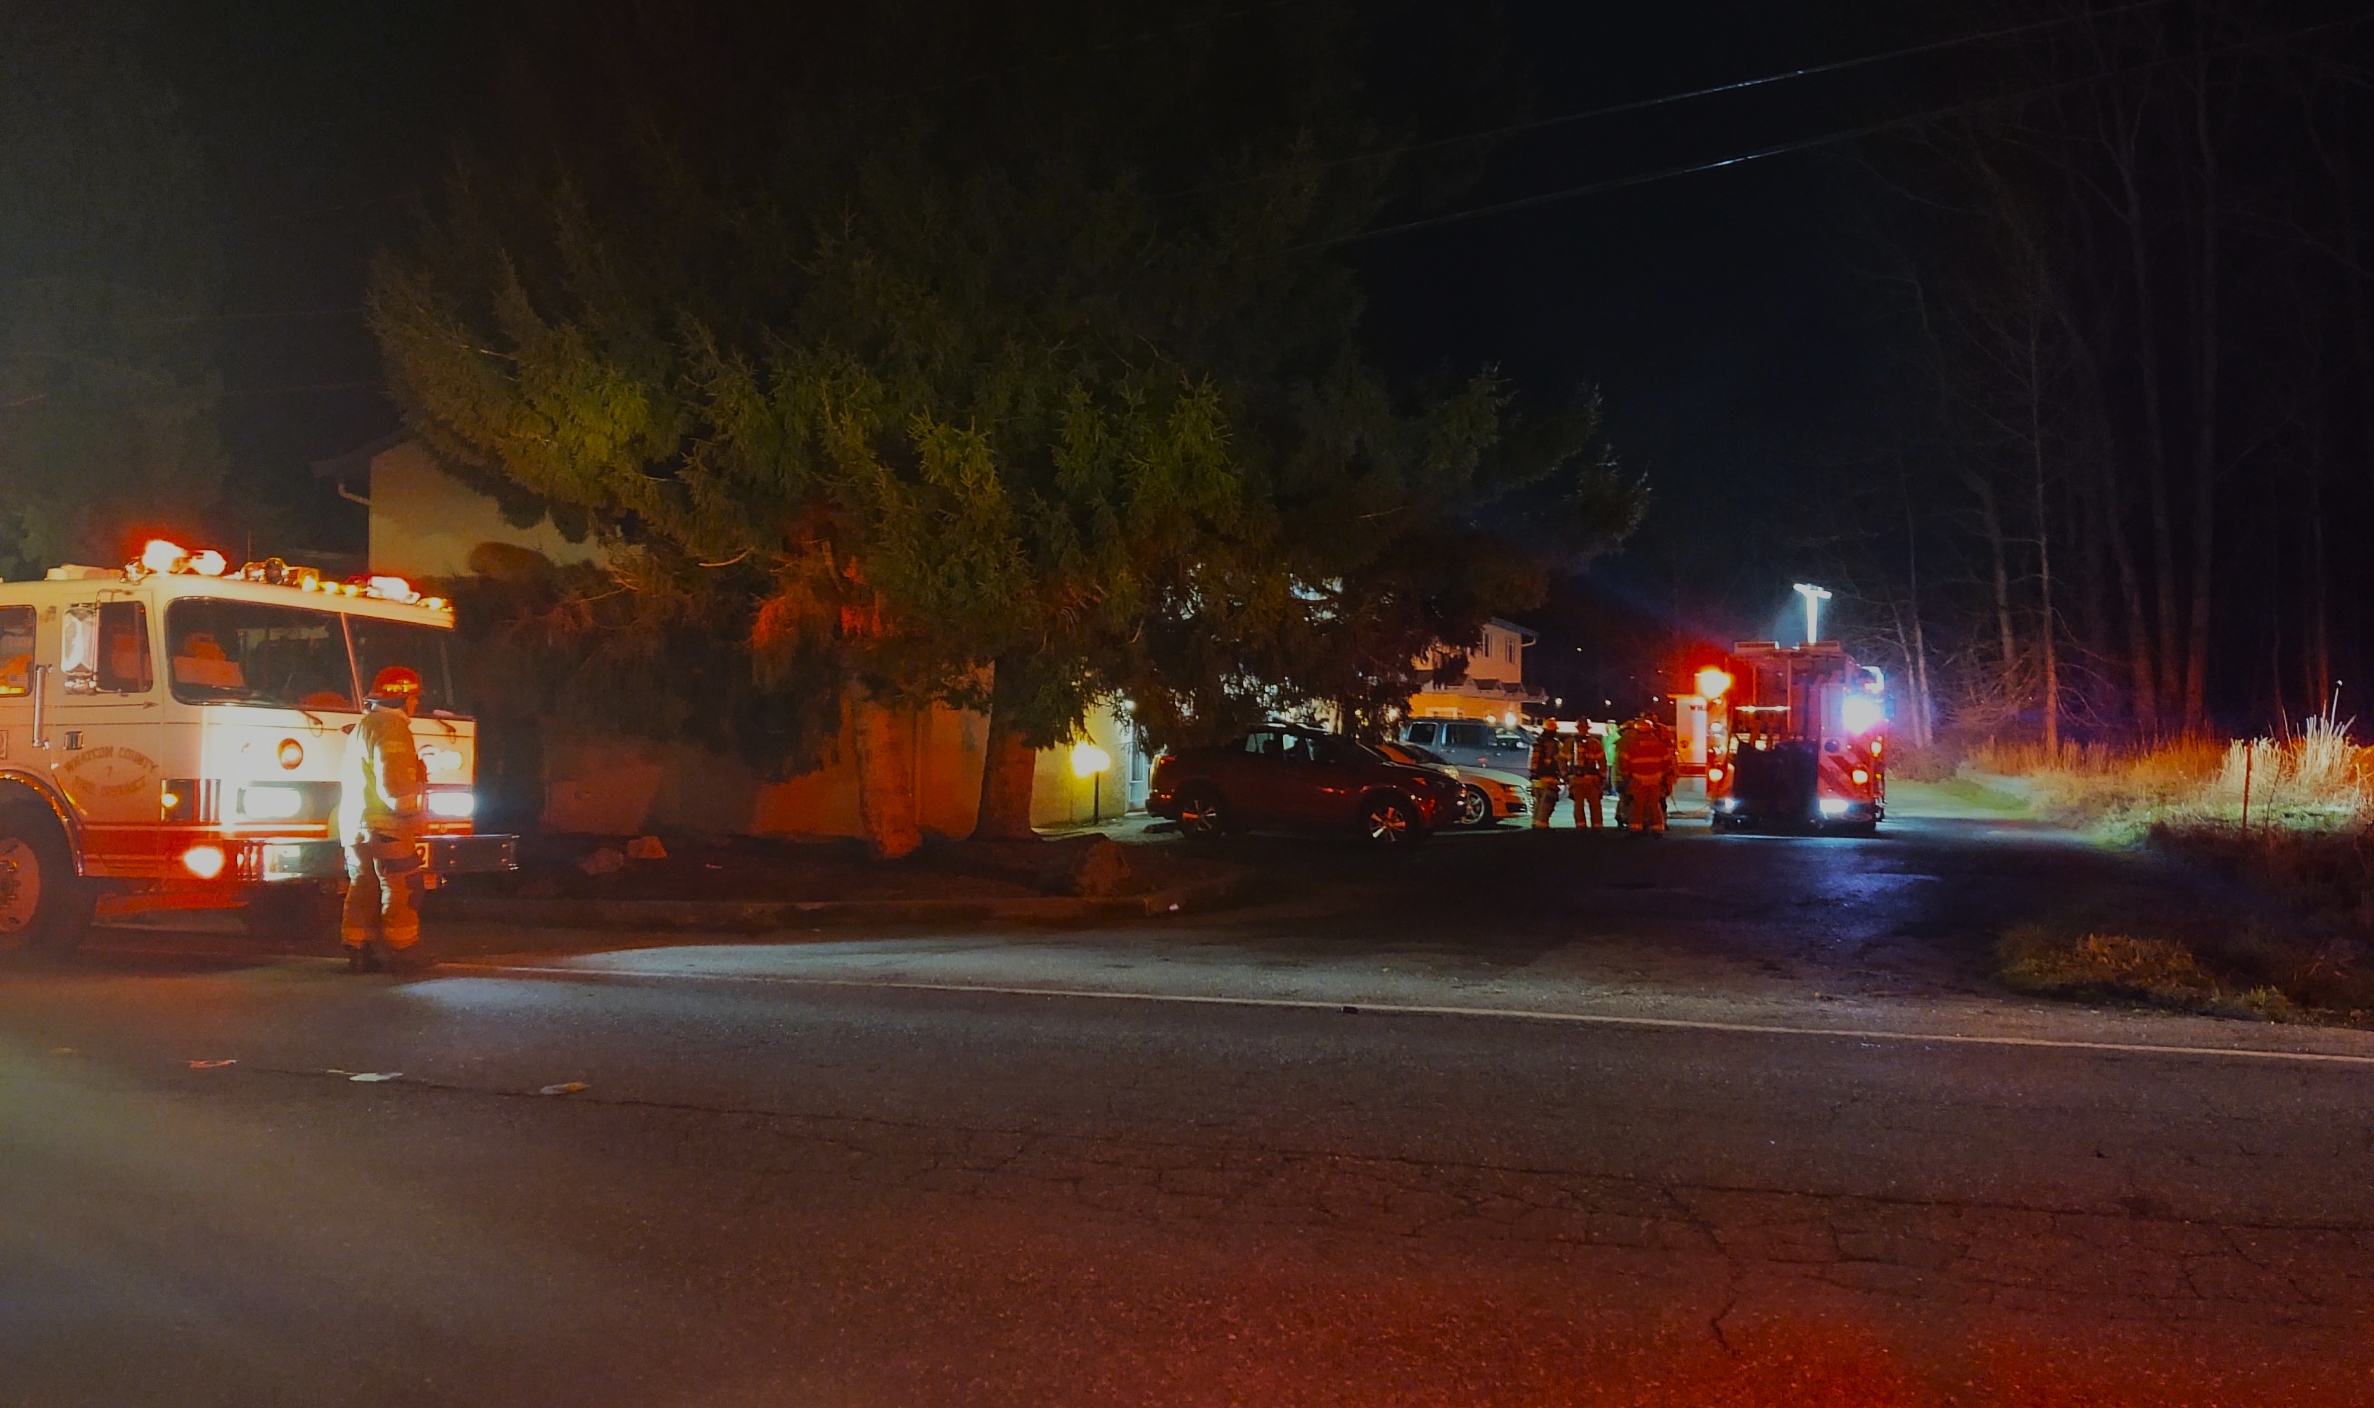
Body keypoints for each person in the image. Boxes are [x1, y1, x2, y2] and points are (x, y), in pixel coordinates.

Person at [340, 665, 432, 972]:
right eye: (414, 698)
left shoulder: (363, 726)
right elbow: (395, 786)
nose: (416, 704)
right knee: (404, 886)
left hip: (355, 827)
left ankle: (358, 950)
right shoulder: (392, 728)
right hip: (387, 826)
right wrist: (412, 812)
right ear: (402, 699)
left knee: (363, 886)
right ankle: (403, 950)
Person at [1616, 711, 1677, 835]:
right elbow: (1667, 763)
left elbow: (1624, 764)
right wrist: (1664, 777)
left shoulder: (1631, 745)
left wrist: (1626, 777)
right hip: (1656, 780)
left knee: (1637, 805)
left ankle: (1635, 828)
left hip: (1637, 781)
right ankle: (1658, 828)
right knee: (1655, 804)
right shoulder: (1660, 745)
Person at [1528, 715, 1571, 828]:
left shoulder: (1537, 743)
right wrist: (1564, 775)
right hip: (1549, 778)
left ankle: (1535, 824)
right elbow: (1559, 762)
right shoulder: (1556, 745)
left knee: (1538, 802)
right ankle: (1542, 826)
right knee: (1548, 802)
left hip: (1536, 778)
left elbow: (1533, 761)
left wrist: (1533, 775)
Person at [1568, 721, 1608, 829]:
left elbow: (1561, 760)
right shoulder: (1595, 743)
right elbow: (1602, 762)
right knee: (1594, 805)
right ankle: (1597, 828)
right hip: (1591, 780)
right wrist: (1602, 778)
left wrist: (1566, 775)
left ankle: (1581, 828)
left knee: (1579, 805)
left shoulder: (1570, 742)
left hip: (1579, 779)